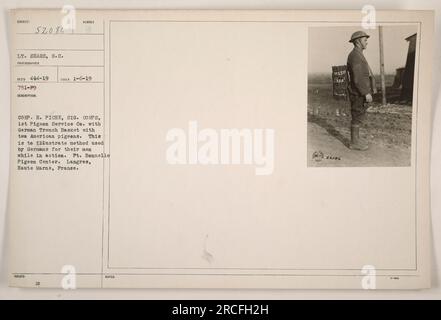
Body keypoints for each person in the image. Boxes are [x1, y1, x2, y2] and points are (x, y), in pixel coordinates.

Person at [346, 31, 376, 151]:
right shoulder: (355, 56)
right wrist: (366, 93)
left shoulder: (358, 54)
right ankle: (354, 143)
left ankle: (356, 140)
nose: (366, 42)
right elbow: (358, 78)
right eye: (365, 40)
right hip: (357, 92)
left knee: (358, 115)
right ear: (358, 41)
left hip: (358, 91)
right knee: (357, 115)